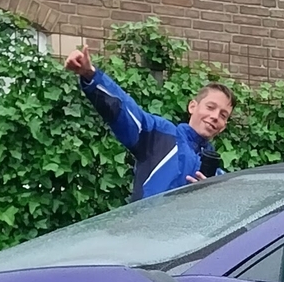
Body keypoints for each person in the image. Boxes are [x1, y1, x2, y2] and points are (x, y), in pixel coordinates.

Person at [64, 46, 234, 200]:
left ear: (223, 126)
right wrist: (91, 75)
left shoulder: (218, 177)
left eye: (223, 115)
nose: (215, 116)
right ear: (192, 106)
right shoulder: (160, 135)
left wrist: (213, 198)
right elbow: (123, 109)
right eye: (210, 107)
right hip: (143, 231)